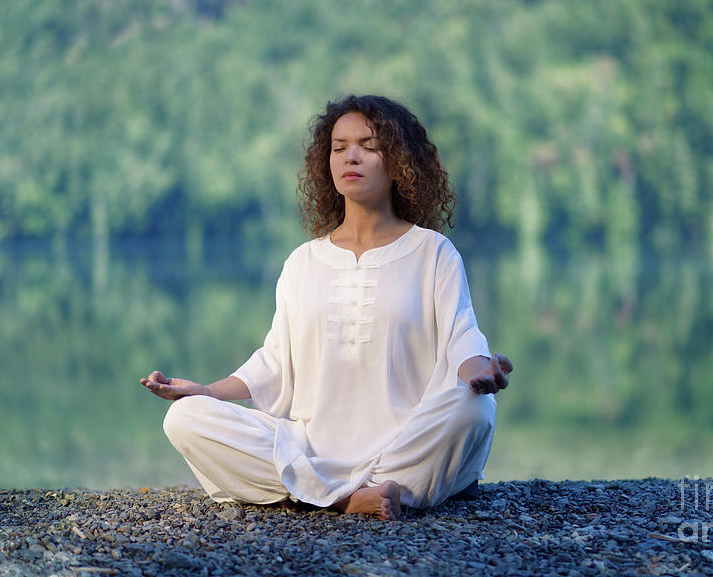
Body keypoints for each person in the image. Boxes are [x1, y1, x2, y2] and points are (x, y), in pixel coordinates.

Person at [141, 94, 512, 520]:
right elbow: (275, 360)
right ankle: (356, 497)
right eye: (339, 148)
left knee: (475, 408)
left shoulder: (433, 252)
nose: (350, 157)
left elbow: (461, 337)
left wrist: (481, 373)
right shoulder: (303, 262)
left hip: (403, 441)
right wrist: (206, 392)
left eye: (368, 146)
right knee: (186, 419)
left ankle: (332, 490)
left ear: (399, 163)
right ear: (327, 162)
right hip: (313, 446)